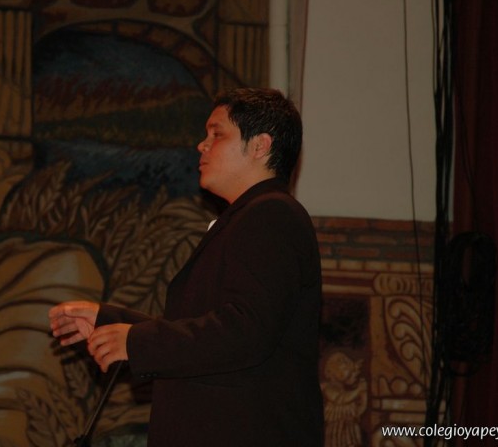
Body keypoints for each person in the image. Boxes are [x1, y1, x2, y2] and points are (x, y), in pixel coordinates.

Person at [49, 87, 324, 446]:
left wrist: (136, 341)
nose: (201, 145)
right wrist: (111, 321)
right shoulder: (250, 217)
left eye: (217, 134)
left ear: (260, 145)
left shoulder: (271, 214)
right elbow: (210, 331)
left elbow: (246, 331)